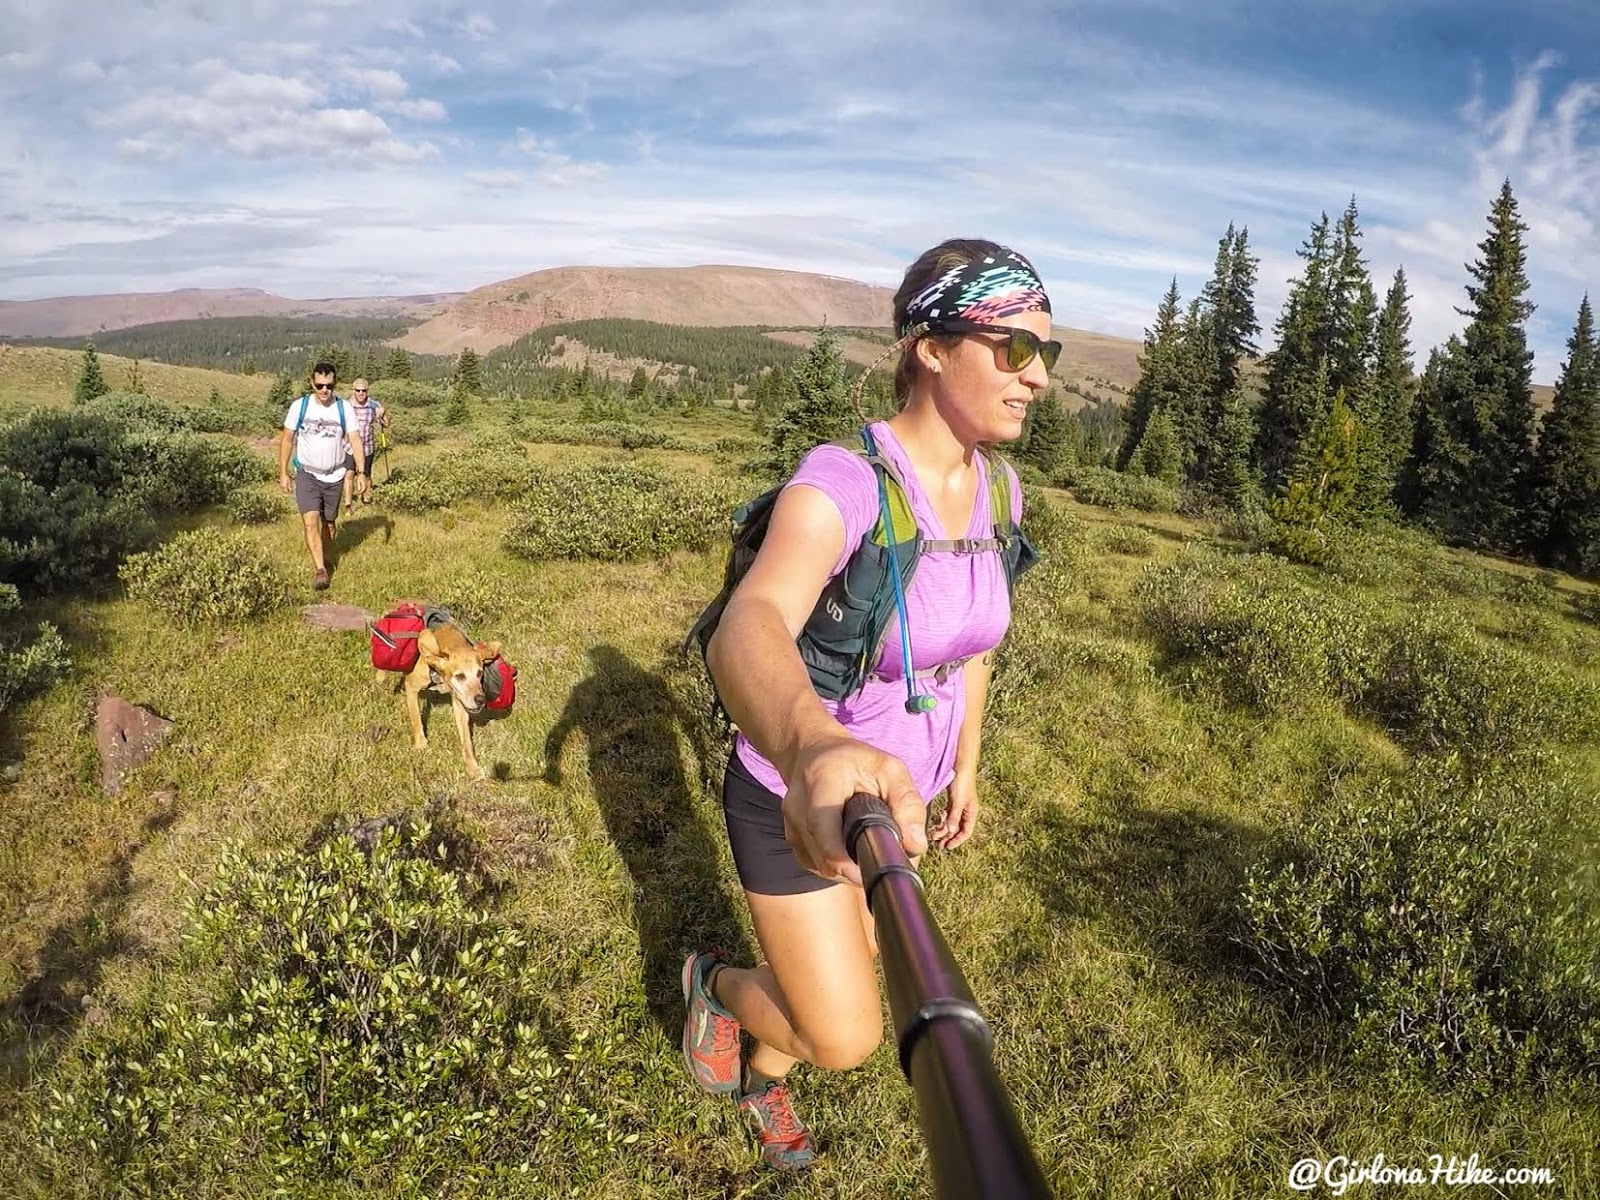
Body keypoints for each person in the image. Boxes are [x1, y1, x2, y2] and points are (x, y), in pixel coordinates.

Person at [682, 239, 1055, 1170]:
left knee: (849, 980)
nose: (1037, 377)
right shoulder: (846, 481)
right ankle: (717, 985)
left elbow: (974, 644)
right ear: (932, 346)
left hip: (899, 806)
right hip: (800, 794)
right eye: (1014, 349)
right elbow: (750, 622)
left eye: (1047, 353)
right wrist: (812, 743)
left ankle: (761, 1074)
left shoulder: (999, 490)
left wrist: (965, 764)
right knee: (846, 1036)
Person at [277, 361, 365, 590]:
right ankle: (320, 570)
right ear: (311, 383)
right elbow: (287, 439)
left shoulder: (344, 409)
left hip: (335, 476)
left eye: (329, 386)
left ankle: (326, 558)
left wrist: (361, 472)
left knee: (329, 525)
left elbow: (355, 439)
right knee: (310, 522)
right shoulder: (300, 406)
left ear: (335, 383)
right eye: (319, 385)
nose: (324, 390)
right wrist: (283, 473)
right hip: (307, 474)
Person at [341, 377, 389, 513]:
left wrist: (383, 414)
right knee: (349, 474)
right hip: (349, 447)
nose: (361, 393)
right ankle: (348, 505)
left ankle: (367, 500)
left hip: (367, 446)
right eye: (358, 390)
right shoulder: (346, 405)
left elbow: (386, 424)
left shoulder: (373, 405)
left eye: (364, 390)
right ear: (353, 391)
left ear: (367, 391)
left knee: (366, 475)